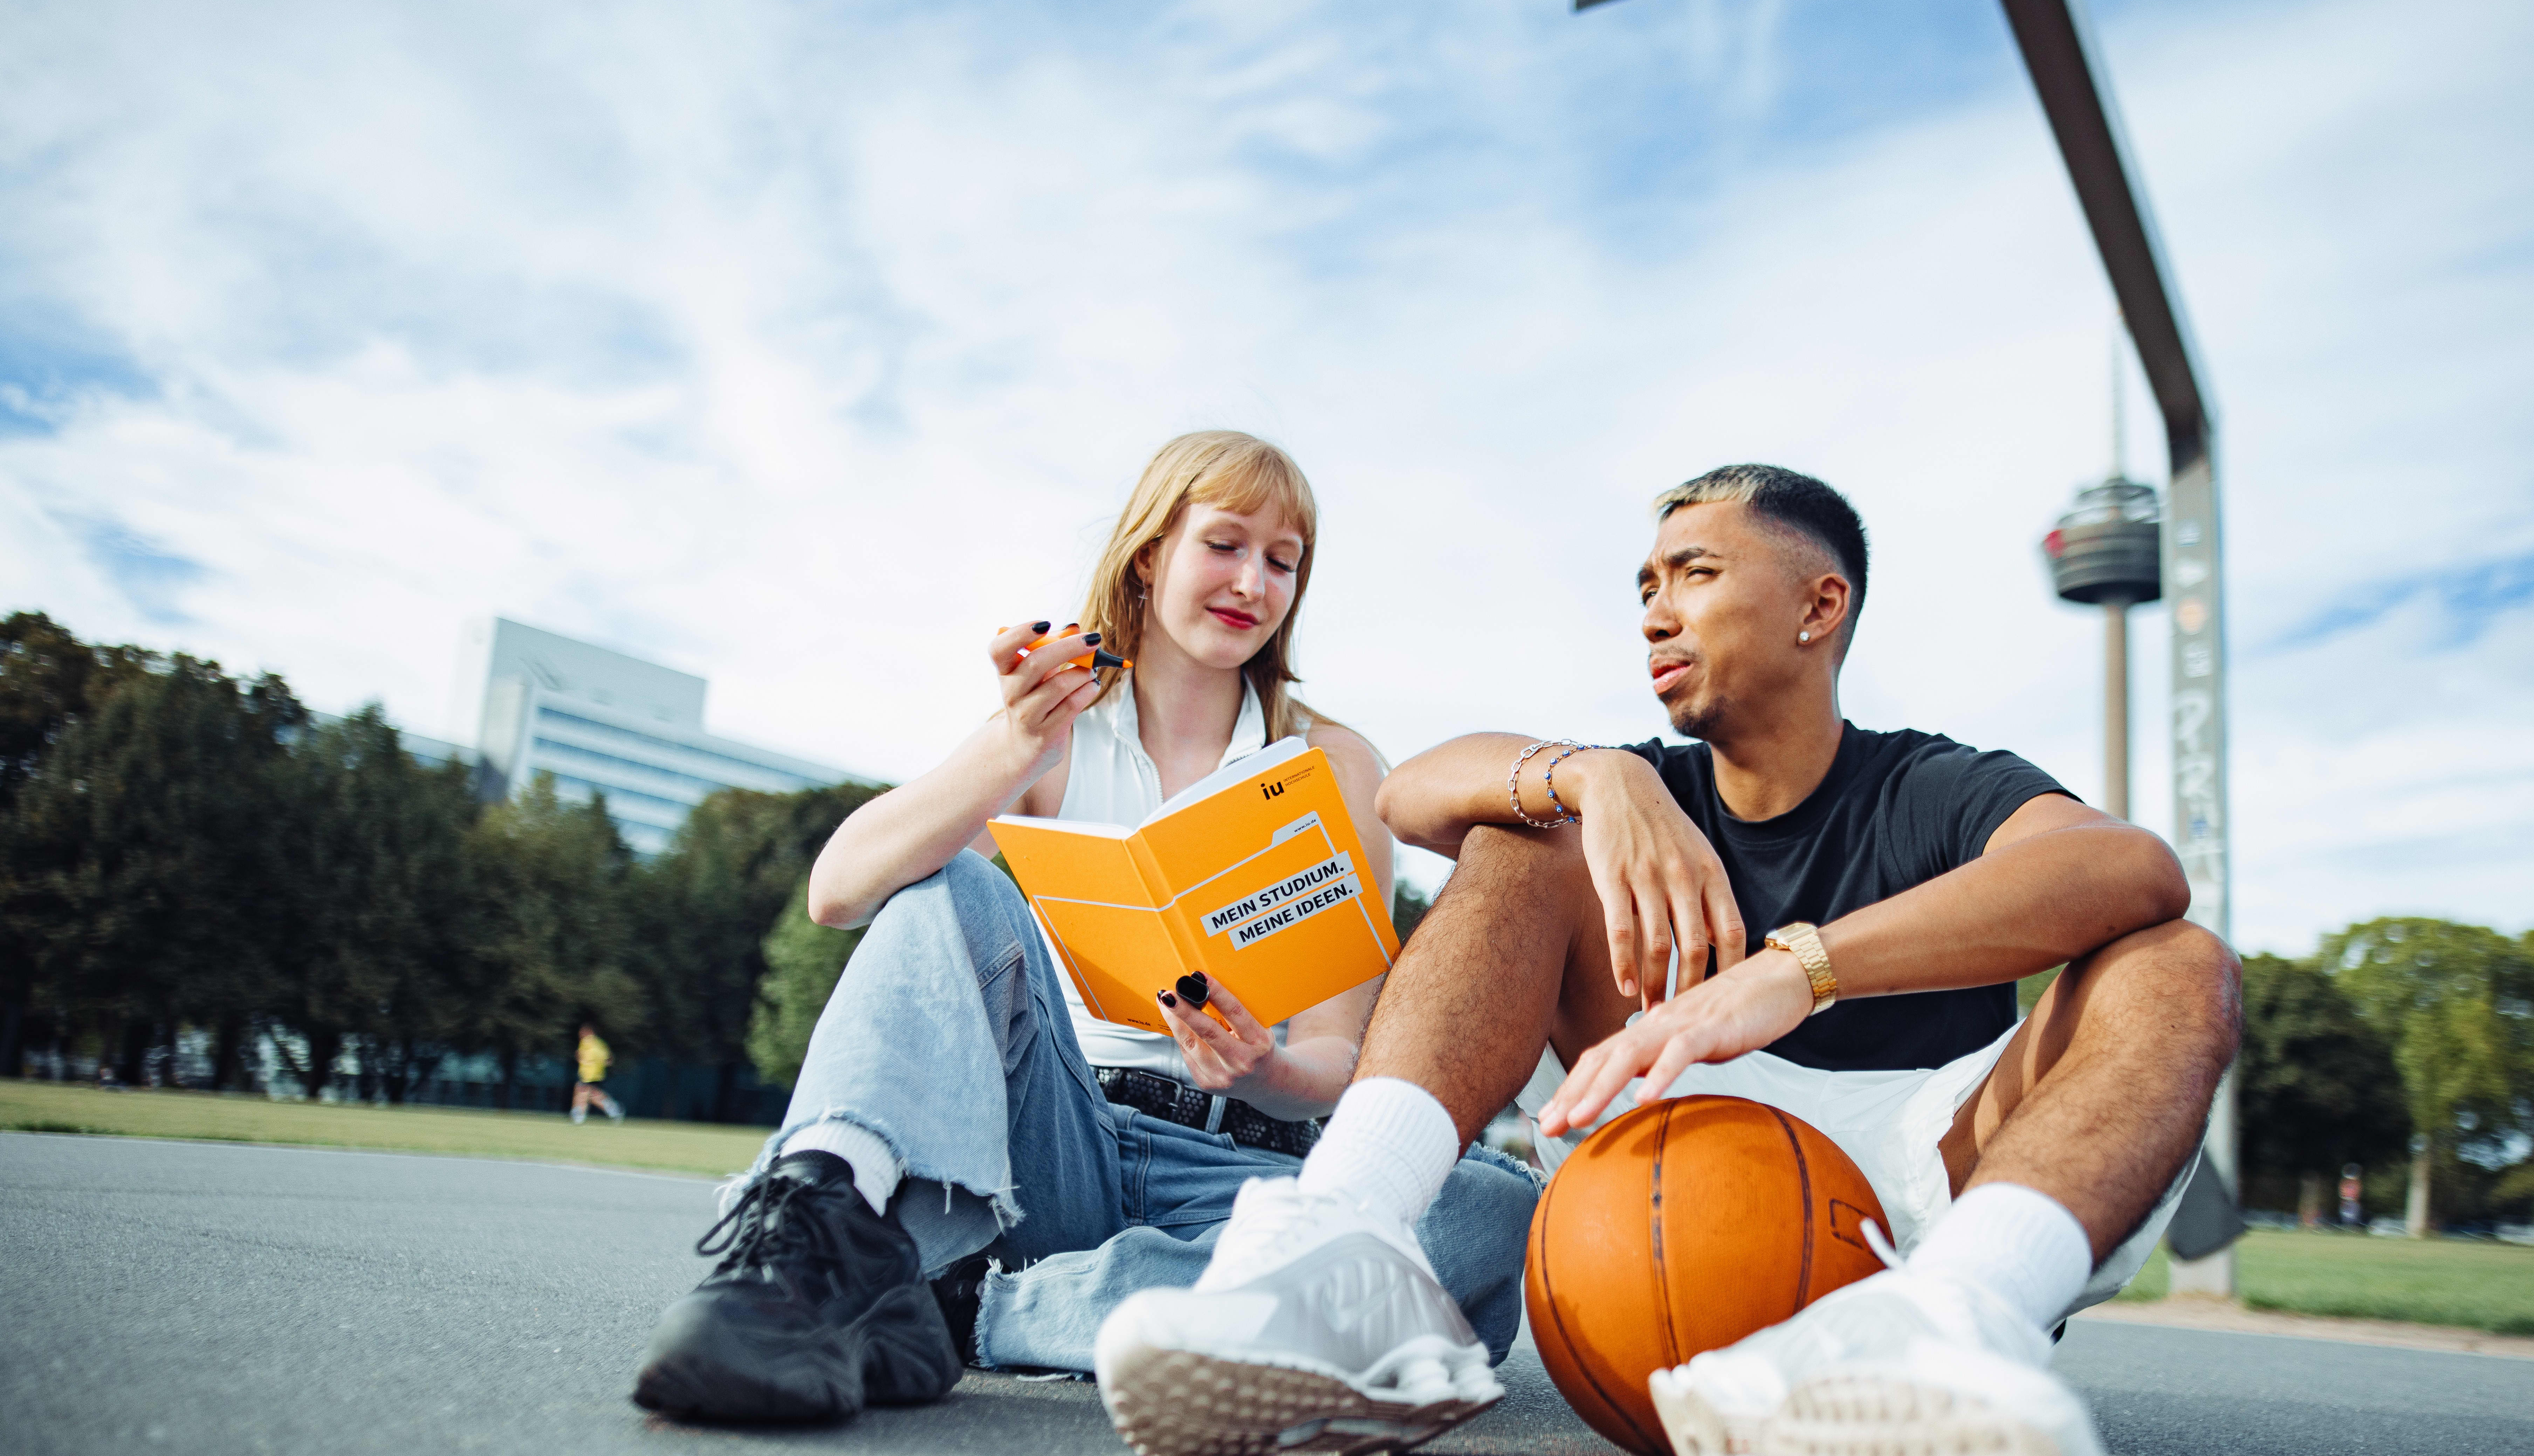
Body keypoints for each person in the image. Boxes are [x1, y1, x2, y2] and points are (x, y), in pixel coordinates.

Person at [1097, 464, 2240, 1456]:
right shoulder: (1637, 788)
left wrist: (1798, 967)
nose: (1654, 613)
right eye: (1644, 586)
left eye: (1692, 574)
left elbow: (2130, 868)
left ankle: (1954, 1319)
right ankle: (1342, 1247)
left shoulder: (1928, 784)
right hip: (1672, 1144)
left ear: (1817, 604)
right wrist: (1596, 777)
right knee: (1524, 832)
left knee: (2177, 960)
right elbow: (1412, 790)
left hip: (1928, 1176)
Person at [631, 431, 1540, 1425]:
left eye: (1283, 562)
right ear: (1150, 553)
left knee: (1485, 1210)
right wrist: (1016, 746)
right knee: (950, 889)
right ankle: (812, 1231)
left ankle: (967, 1306)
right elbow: (841, 889)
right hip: (1057, 1141)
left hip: (1242, 1172)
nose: (1254, 582)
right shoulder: (1055, 725)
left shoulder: (1335, 766)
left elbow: (1338, 1052)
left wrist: (1263, 1073)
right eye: (1226, 544)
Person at [570, 1024, 623, 1125]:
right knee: (591, 1094)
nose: (581, 1035)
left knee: (582, 1091)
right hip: (599, 1074)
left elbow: (580, 1056)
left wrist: (583, 1059)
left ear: (590, 1032)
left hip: (588, 1074)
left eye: (583, 1033)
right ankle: (614, 1109)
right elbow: (609, 1060)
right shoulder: (601, 1044)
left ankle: (579, 1115)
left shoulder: (586, 1042)